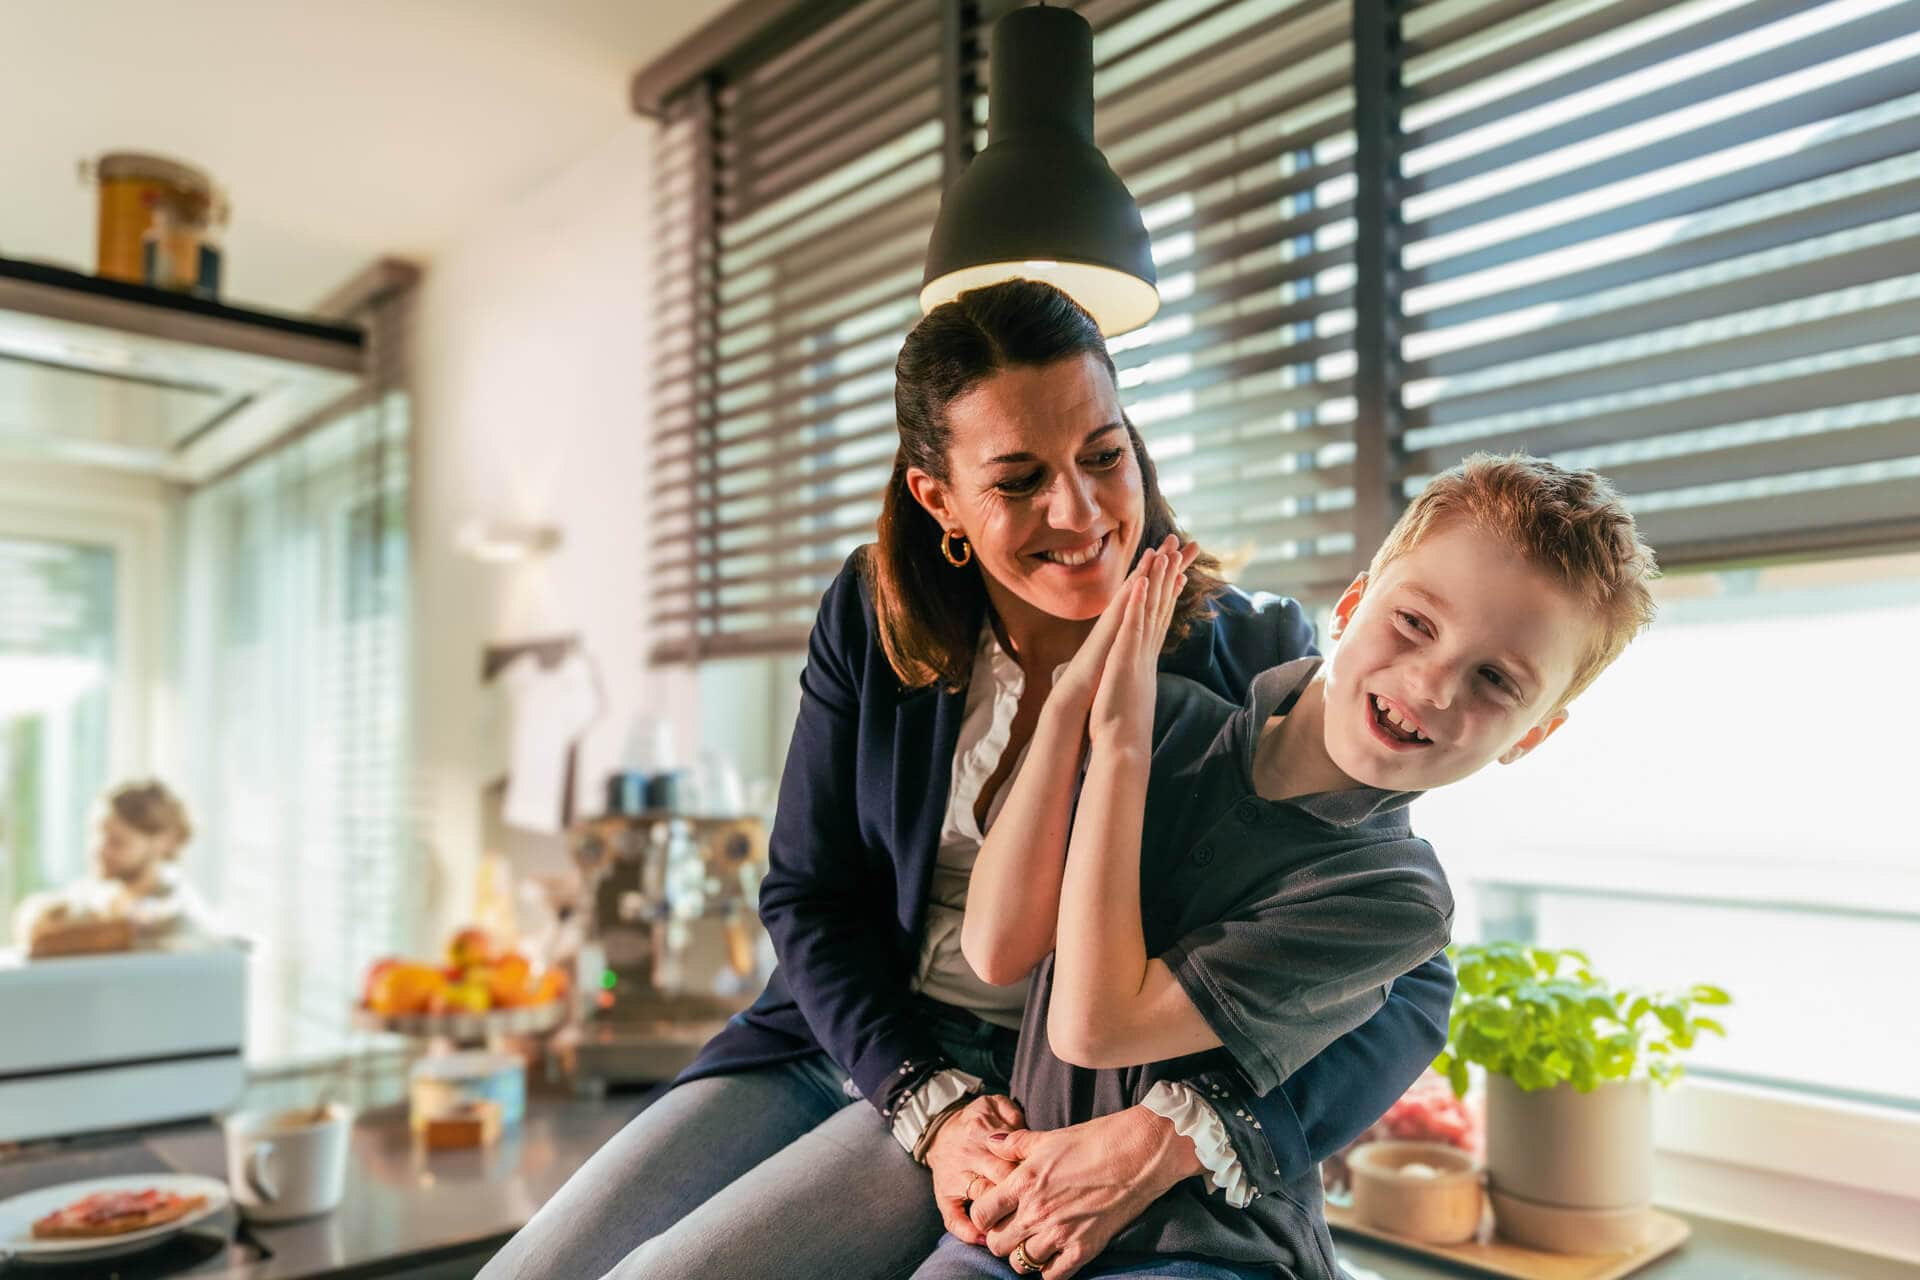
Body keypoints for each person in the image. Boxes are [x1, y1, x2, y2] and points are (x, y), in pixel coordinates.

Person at [476, 280, 1455, 1280]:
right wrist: (914, 1089)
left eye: (1103, 454)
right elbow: (807, 894)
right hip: (843, 1036)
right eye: (1018, 478)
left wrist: (1181, 1132)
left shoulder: (1239, 649)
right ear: (935, 495)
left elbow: (1410, 978)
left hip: (1021, 1088)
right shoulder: (871, 614)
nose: (1077, 510)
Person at [922, 455, 1659, 1279]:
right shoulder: (1169, 715)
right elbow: (996, 949)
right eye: (1415, 622)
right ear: (1352, 602)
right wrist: (1071, 707)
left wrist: (1120, 746)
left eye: (1494, 679)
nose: (1431, 685)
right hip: (1020, 1215)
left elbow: (1092, 1027)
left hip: (1209, 1253)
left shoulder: (1392, 897)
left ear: (1530, 735)